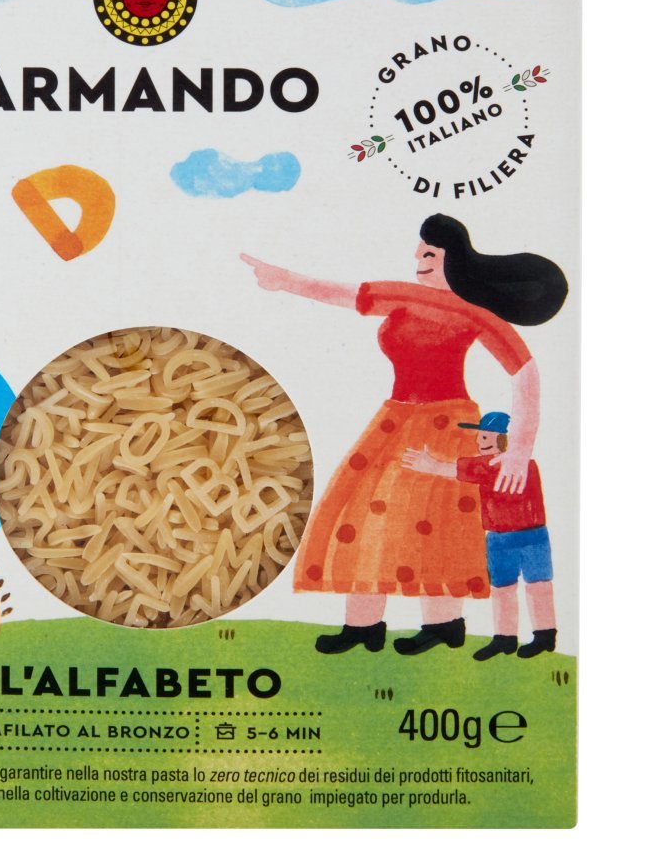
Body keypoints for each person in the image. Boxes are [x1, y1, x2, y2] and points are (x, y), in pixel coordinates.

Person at [241, 214, 566, 656]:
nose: (418, 258)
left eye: (429, 252)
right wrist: (284, 280)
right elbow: (346, 294)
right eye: (419, 250)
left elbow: (525, 371)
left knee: (436, 522)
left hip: (448, 423)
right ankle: (363, 625)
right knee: (363, 515)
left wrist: (519, 450)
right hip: (396, 419)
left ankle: (444, 623)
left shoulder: (475, 312)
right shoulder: (404, 294)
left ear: (453, 259)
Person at [402, 411, 557, 660]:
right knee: (504, 589)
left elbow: (455, 468)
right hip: (499, 538)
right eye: (479, 436)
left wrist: (429, 464)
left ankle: (543, 636)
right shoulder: (499, 463)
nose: (479, 441)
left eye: (485, 437)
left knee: (537, 586)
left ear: (503, 439)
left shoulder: (507, 464)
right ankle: (506, 638)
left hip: (530, 536)